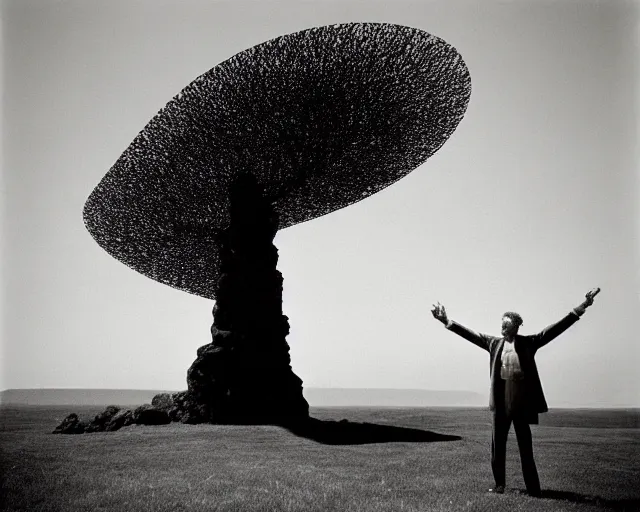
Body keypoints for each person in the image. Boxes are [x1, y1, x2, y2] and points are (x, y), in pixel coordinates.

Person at [430, 288, 600, 497]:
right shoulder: (493, 343)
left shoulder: (529, 342)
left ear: (516, 326)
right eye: (502, 323)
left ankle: (533, 489)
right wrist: (446, 321)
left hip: (521, 404)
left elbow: (555, 329)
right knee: (497, 446)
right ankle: (499, 485)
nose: (502, 326)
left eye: (506, 323)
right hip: (501, 404)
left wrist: (581, 308)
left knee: (525, 447)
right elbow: (471, 335)